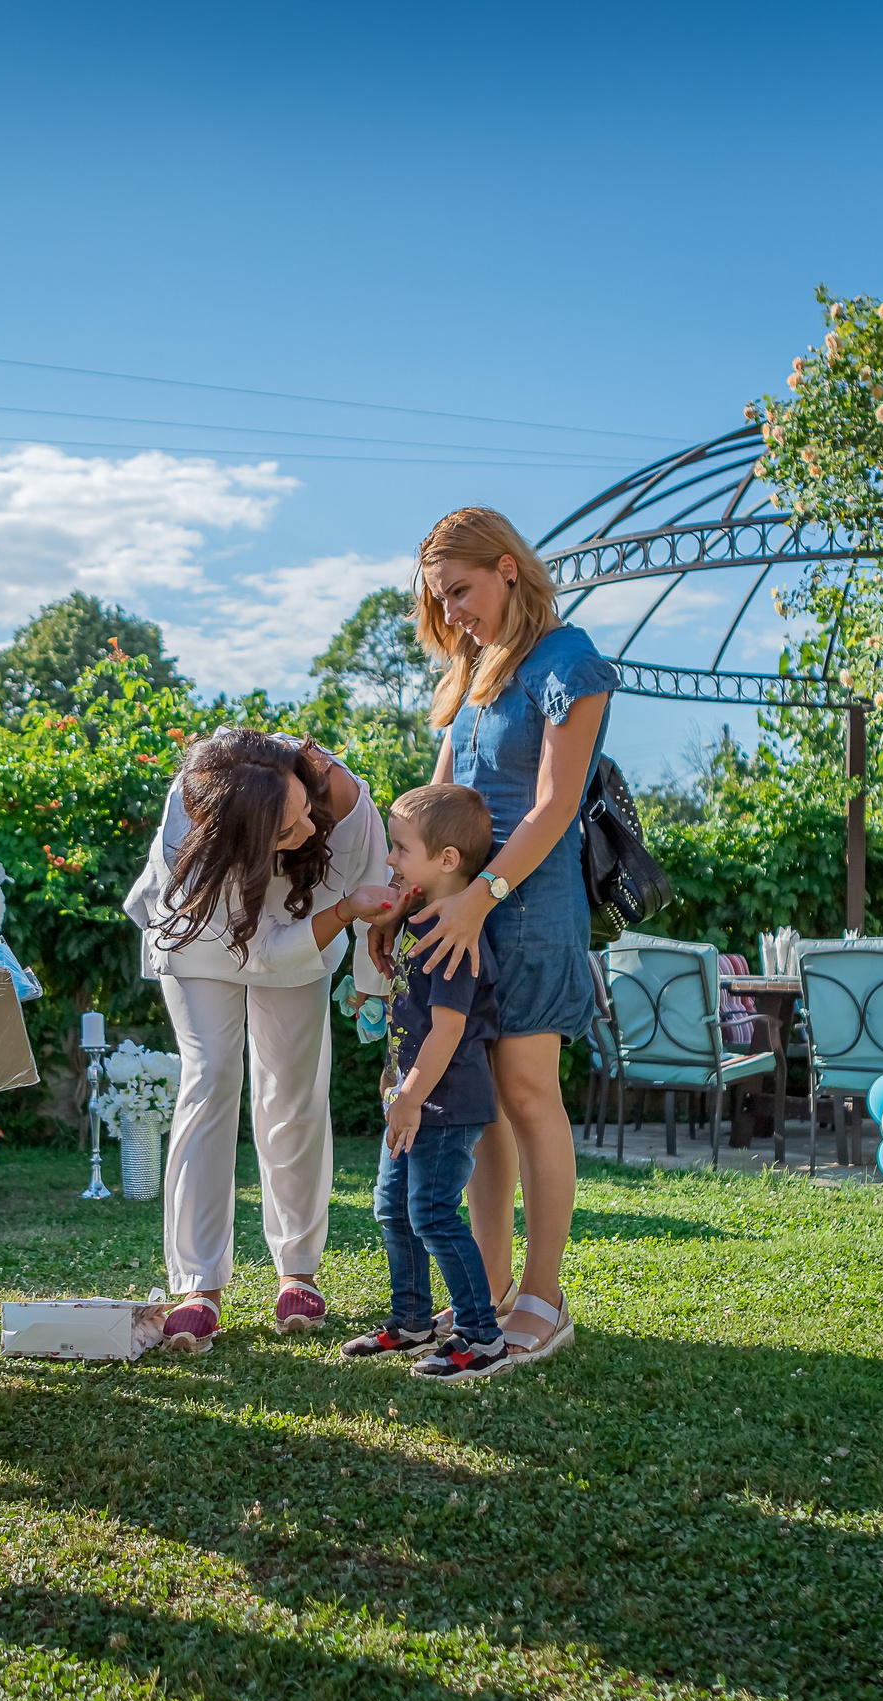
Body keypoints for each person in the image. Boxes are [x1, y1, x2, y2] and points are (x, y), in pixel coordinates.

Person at [395, 506, 615, 1366]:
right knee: (480, 1110)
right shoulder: (473, 670)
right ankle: (483, 1294)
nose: (452, 612)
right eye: (439, 599)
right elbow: (440, 799)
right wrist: (409, 898)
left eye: (461, 591)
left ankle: (544, 1297)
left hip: (527, 910)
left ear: (508, 570)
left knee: (527, 1095)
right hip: (462, 914)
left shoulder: (569, 660)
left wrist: (481, 894)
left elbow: (557, 803)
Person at [124, 729, 397, 1349]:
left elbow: (367, 880)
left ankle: (296, 1270)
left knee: (293, 1085)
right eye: (285, 830)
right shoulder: (190, 844)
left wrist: (367, 963)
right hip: (206, 933)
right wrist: (347, 909)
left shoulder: (332, 794)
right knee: (212, 1076)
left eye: (304, 811)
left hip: (309, 917)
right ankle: (199, 1282)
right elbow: (257, 951)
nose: (304, 830)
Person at [340, 784, 510, 1382]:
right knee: (394, 1210)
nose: (390, 859)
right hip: (411, 1101)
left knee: (433, 1213)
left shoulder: (455, 938)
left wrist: (410, 1097)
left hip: (443, 1105)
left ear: (446, 861)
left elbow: (446, 1031)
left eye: (400, 847)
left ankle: (481, 1336)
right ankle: (413, 1320)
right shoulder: (423, 920)